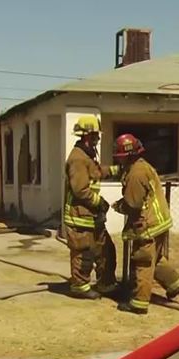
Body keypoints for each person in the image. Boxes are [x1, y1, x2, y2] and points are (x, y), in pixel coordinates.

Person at [110, 133, 179, 315]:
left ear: (125, 155)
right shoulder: (142, 166)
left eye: (119, 156)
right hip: (159, 223)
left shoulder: (135, 173)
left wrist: (118, 206)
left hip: (147, 225)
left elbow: (133, 203)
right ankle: (176, 284)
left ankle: (139, 302)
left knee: (142, 262)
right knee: (156, 258)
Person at [62, 114, 118, 299]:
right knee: (84, 252)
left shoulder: (86, 155)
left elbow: (95, 172)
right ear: (87, 135)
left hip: (91, 215)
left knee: (106, 249)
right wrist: (99, 203)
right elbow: (80, 190)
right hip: (80, 216)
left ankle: (106, 284)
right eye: (95, 134)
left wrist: (116, 169)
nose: (98, 138)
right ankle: (80, 287)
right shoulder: (77, 159)